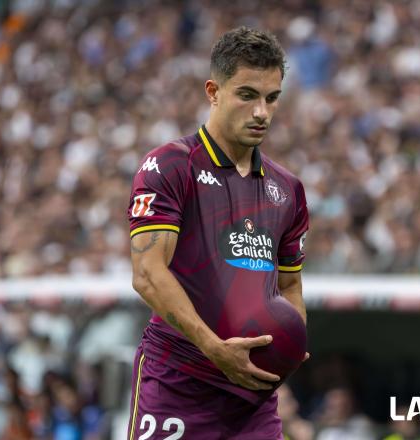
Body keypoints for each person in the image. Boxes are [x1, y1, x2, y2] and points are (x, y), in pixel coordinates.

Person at [127, 26, 309, 439]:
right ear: (213, 91)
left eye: (272, 98)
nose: (262, 112)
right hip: (177, 384)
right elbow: (148, 274)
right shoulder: (170, 166)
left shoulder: (288, 190)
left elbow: (291, 284)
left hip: (252, 399)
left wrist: (290, 344)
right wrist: (214, 349)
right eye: (247, 95)